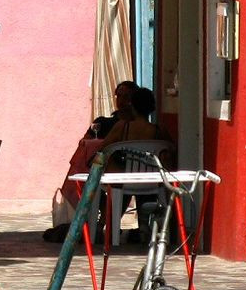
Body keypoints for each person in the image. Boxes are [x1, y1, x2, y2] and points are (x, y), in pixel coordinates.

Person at [43, 81, 168, 242]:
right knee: (133, 177)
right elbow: (169, 150)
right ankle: (143, 225)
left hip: (123, 182)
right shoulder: (158, 130)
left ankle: (103, 226)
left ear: (133, 106)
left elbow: (102, 149)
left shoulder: (123, 127)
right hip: (152, 183)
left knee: (116, 179)